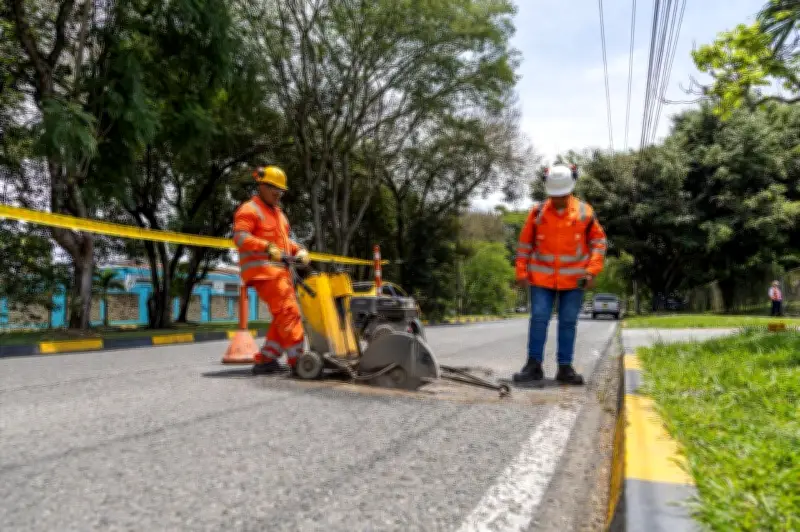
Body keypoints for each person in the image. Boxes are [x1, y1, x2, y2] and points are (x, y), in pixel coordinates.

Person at [513, 164, 607, 385]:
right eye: (554, 196)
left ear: (570, 190)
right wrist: (521, 271)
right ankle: (533, 366)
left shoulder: (585, 213)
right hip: (541, 278)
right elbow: (525, 245)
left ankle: (565, 368)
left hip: (574, 280)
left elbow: (599, 242)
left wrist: (592, 270)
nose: (558, 200)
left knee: (568, 322)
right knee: (539, 319)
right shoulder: (537, 213)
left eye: (562, 195)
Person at [233, 165, 310, 373]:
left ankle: (266, 359)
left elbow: (285, 244)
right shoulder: (249, 209)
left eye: (281, 190)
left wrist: (300, 250)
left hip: (280, 273)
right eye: (273, 188)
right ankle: (299, 362)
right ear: (262, 186)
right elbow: (240, 237)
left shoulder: (279, 215)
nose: (278, 193)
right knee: (288, 312)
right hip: (264, 272)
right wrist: (266, 247)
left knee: (281, 316)